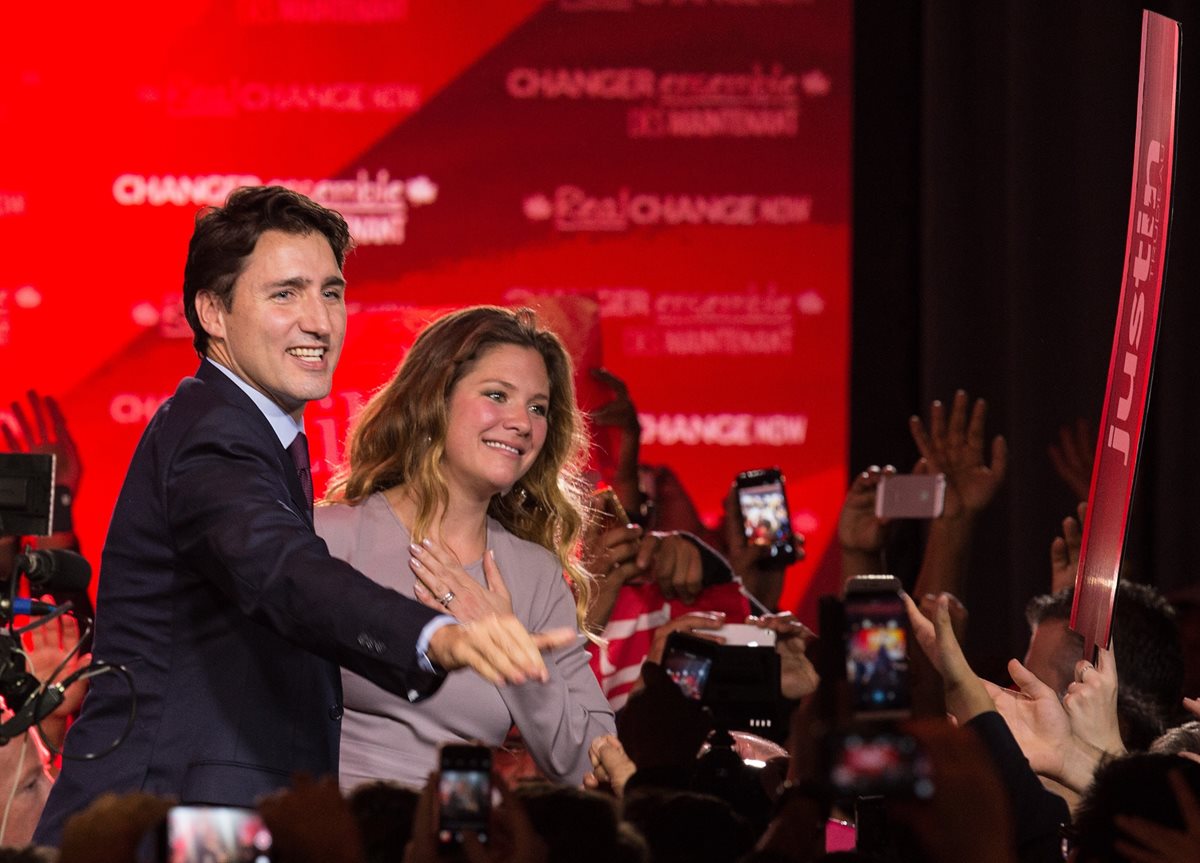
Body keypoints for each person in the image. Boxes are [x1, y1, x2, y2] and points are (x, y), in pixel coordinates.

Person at [34, 187, 570, 845]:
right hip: (173, 820)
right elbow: (282, 570)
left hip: (217, 815)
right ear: (213, 312)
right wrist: (435, 636)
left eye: (331, 292)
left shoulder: (262, 431)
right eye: (285, 294)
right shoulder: (214, 435)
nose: (318, 320)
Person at [318, 306, 615, 789]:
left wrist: (507, 645)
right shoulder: (330, 537)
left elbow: (592, 766)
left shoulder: (535, 576)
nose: (522, 423)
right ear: (435, 399)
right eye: (498, 395)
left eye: (538, 408)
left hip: (461, 837)